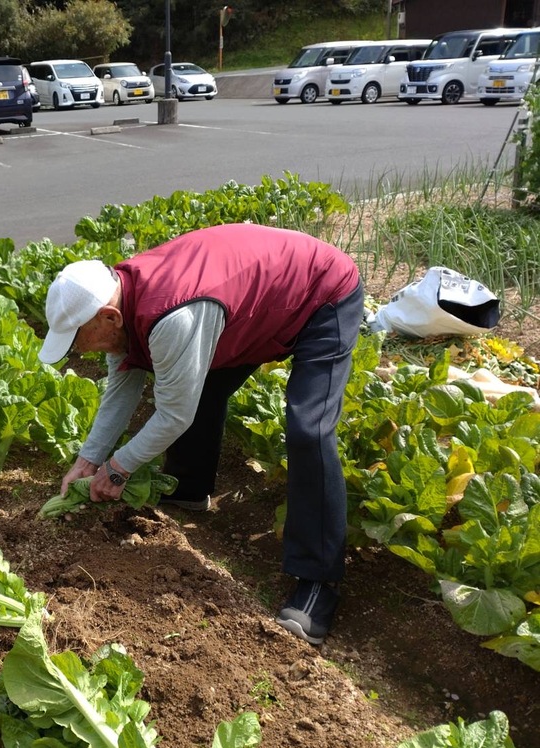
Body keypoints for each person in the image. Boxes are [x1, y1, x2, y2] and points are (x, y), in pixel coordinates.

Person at [38, 223, 363, 645]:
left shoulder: (171, 316)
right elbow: (123, 384)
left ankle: (318, 584)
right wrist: (89, 460)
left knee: (309, 429)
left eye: (78, 340)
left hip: (319, 294)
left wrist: (116, 470)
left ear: (108, 317)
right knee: (198, 383)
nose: (79, 351)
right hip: (253, 305)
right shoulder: (119, 296)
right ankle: (189, 488)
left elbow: (174, 415)